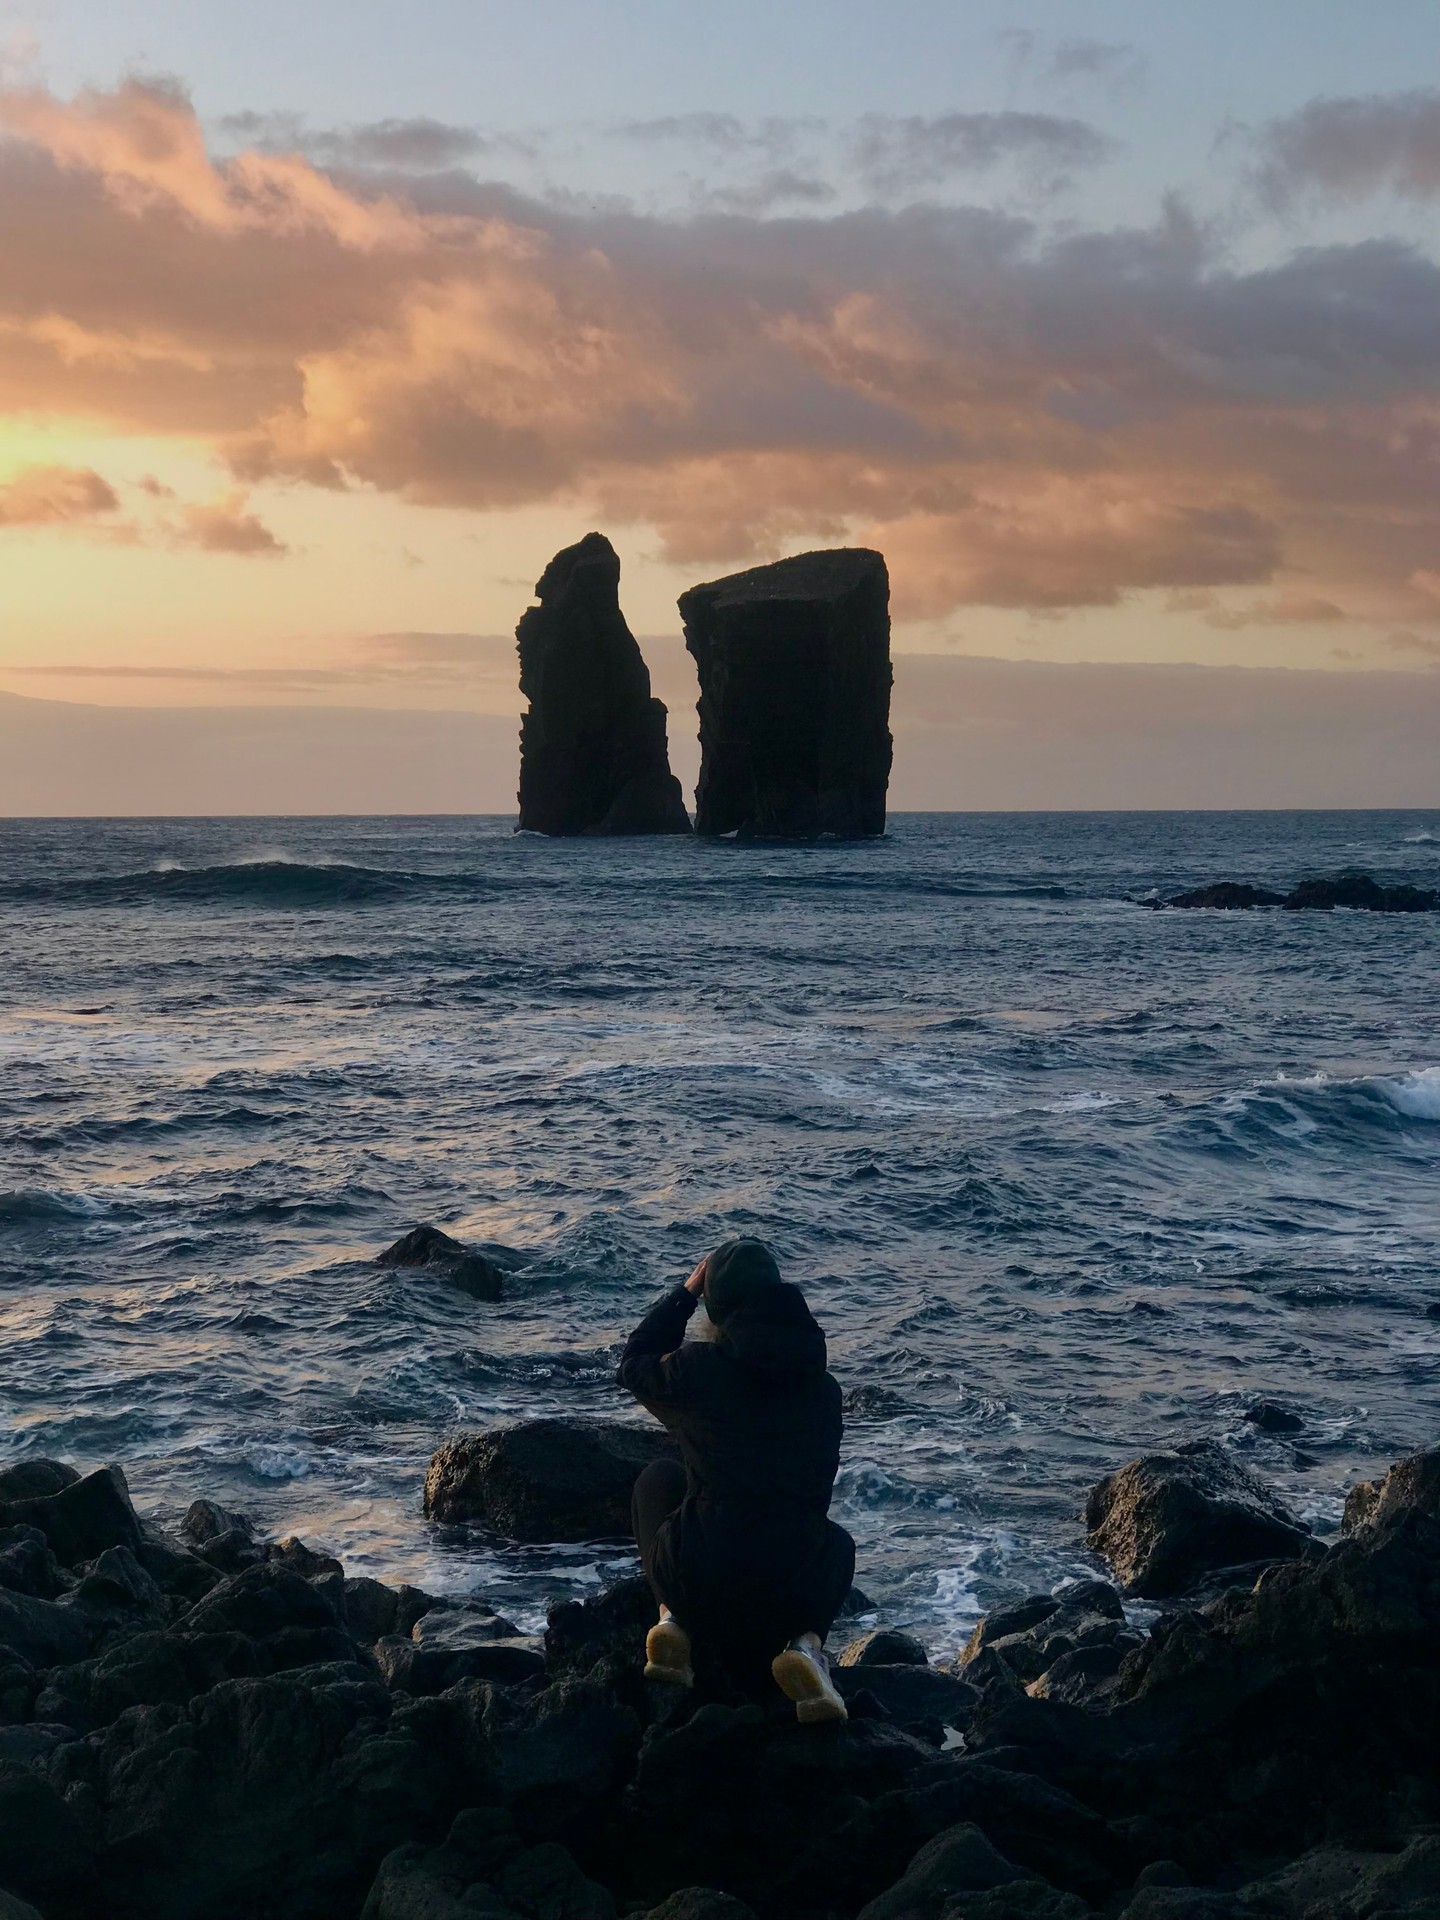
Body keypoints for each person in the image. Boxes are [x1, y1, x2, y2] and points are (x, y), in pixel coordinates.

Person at [617, 1238, 856, 1722]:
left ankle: (672, 1623)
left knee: (657, 1479)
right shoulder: (825, 1393)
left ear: (717, 1308)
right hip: (791, 1592)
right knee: (839, 1543)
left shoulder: (699, 1371)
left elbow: (634, 1363)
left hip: (702, 1579)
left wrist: (684, 1295)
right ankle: (806, 1649)